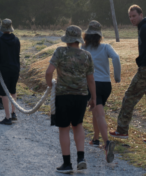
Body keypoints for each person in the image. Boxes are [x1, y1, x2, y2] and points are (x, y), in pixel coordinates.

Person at [109, 5, 146, 147]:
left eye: (134, 16)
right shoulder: (145, 26)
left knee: (129, 97)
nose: (132, 19)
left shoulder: (145, 27)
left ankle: (122, 131)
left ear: (141, 14)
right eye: (130, 17)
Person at [45, 25, 96, 173]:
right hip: (81, 96)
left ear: (67, 39)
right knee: (78, 125)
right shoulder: (87, 55)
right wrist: (93, 97)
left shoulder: (60, 52)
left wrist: (49, 85)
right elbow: (91, 79)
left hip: (63, 96)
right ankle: (81, 158)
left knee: (64, 129)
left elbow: (49, 72)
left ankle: (67, 164)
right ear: (79, 40)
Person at [82, 20, 121, 163]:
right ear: (99, 35)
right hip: (106, 85)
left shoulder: (83, 48)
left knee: (99, 113)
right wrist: (117, 77)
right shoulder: (106, 47)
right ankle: (96, 139)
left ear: (87, 35)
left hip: (93, 84)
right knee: (96, 109)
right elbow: (116, 58)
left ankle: (107, 143)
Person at [0, 19, 20, 125]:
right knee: (13, 90)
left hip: (4, 69)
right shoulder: (16, 40)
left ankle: (7, 117)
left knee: (4, 92)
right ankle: (14, 113)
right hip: (15, 68)